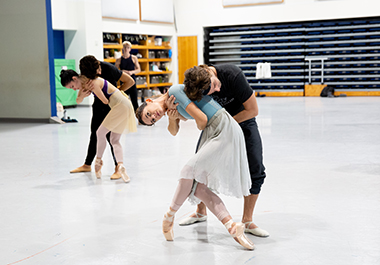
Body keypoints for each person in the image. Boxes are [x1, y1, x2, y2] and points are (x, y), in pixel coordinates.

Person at [135, 84, 255, 250]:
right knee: (199, 189)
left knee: (187, 171)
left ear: (149, 101)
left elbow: (203, 120)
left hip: (221, 127)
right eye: (153, 120)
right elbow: (173, 131)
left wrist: (179, 115)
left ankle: (168, 217)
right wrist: (172, 117)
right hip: (212, 131)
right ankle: (232, 228)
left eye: (149, 113)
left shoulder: (175, 92)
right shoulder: (170, 105)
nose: (154, 117)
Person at [182, 64, 269, 237]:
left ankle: (247, 221)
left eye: (214, 85)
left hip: (243, 120)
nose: (216, 90)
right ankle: (200, 212)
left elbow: (253, 110)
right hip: (216, 126)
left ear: (209, 71)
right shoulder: (196, 85)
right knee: (200, 167)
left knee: (256, 169)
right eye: (210, 91)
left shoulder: (232, 75)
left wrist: (227, 126)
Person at [60, 55, 137, 182]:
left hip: (114, 105)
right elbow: (78, 99)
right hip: (104, 105)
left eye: (73, 87)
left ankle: (113, 166)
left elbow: (129, 82)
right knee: (97, 134)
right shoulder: (87, 77)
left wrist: (117, 92)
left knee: (106, 135)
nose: (99, 72)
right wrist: (82, 96)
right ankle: (89, 164)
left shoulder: (106, 71)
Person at [115, 41, 141, 112]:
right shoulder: (119, 59)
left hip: (132, 81)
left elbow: (139, 69)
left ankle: (138, 117)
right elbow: (115, 71)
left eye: (128, 48)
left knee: (134, 101)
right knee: (122, 101)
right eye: (125, 47)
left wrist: (131, 72)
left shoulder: (134, 58)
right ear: (123, 48)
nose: (126, 49)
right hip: (124, 82)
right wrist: (122, 72)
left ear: (130, 49)